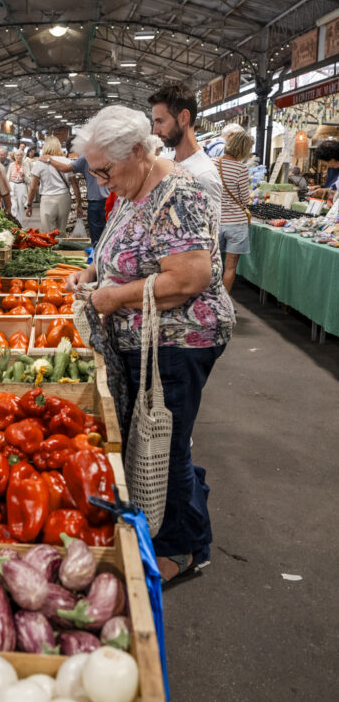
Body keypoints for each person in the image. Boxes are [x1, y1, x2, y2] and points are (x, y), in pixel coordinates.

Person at [63, 105, 235, 583]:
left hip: (180, 342)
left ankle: (184, 549)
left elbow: (192, 276)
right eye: (94, 172)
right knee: (162, 436)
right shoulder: (138, 184)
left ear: (137, 151)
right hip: (151, 340)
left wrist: (114, 295)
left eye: (105, 171)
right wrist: (93, 271)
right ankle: (190, 502)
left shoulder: (178, 192)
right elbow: (124, 242)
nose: (101, 183)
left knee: (168, 442)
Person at [149, 82, 222, 212]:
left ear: (183, 118)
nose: (155, 131)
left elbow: (210, 230)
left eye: (160, 121)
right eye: (154, 122)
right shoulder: (164, 162)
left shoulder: (204, 175)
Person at [39, 150, 109, 246]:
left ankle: (97, 255)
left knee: (96, 237)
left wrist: (49, 160)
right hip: (113, 201)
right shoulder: (113, 156)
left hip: (95, 202)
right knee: (109, 234)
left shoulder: (86, 157)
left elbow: (65, 168)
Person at [215, 130, 254, 292]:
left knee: (212, 263)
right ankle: (224, 305)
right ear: (244, 150)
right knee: (230, 267)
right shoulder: (241, 169)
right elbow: (245, 200)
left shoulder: (212, 163)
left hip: (215, 221)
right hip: (236, 223)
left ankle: (207, 302)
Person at [26, 137, 83, 233]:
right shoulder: (67, 161)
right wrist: (79, 204)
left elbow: (33, 188)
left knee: (48, 233)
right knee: (61, 231)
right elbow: (75, 185)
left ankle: (52, 248)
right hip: (64, 198)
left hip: (47, 200)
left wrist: (29, 205)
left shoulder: (40, 163)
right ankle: (60, 247)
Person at [9, 149, 29, 224]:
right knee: (13, 206)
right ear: (14, 156)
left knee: (20, 206)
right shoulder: (11, 165)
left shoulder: (25, 165)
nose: (17, 157)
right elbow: (8, 176)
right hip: (12, 185)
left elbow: (29, 180)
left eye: (19, 155)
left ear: (22, 156)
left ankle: (20, 223)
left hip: (21, 185)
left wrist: (24, 176)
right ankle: (14, 222)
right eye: (16, 155)